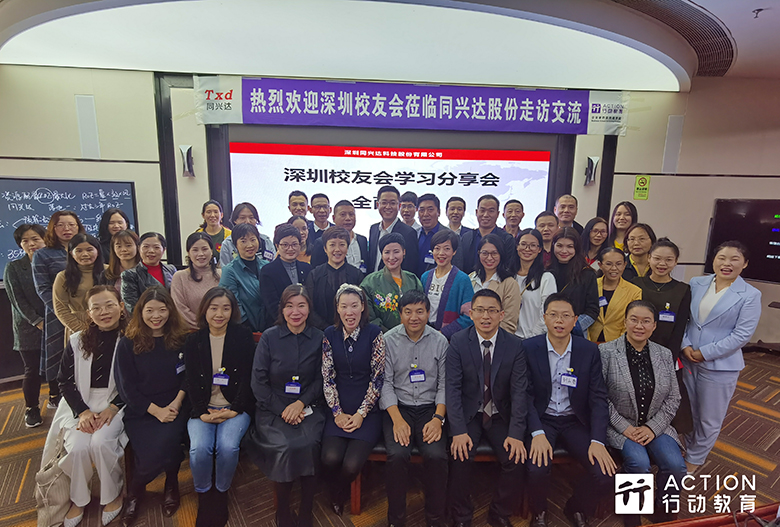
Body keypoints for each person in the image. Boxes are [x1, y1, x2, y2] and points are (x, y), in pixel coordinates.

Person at [524, 293, 615, 527]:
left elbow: (598, 398)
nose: (559, 321)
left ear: (575, 320)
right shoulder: (529, 348)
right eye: (553, 315)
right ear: (544, 317)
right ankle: (539, 511)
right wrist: (536, 432)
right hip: (543, 419)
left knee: (605, 474)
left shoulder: (588, 350)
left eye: (566, 316)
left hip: (575, 421)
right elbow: (524, 396)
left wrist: (598, 440)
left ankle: (577, 506)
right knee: (536, 469)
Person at [599, 300, 686, 527]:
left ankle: (662, 510)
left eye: (646, 321)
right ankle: (632, 514)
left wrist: (652, 428)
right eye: (634, 320)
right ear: (625, 321)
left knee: (676, 466)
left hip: (656, 425)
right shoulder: (606, 352)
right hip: (620, 425)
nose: (639, 326)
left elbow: (674, 397)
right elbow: (599, 398)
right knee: (639, 463)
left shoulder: (664, 354)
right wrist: (625, 428)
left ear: (654, 325)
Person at [446, 289, 528, 527]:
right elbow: (452, 389)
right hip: (469, 414)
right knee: (459, 456)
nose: (486, 316)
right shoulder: (458, 342)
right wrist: (458, 431)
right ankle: (461, 515)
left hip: (500, 413)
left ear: (501, 315)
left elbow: (519, 393)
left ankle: (499, 512)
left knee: (516, 458)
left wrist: (516, 434)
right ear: (471, 313)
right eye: (480, 310)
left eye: (492, 311)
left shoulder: (515, 345)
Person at [246, 285, 326, 527]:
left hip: (308, 405)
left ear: (309, 308)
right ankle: (282, 510)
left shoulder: (319, 337)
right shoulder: (269, 337)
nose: (295, 311)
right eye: (289, 306)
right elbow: (258, 382)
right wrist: (283, 409)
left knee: (310, 443)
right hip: (272, 407)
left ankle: (306, 509)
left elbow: (321, 379)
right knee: (285, 445)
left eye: (301, 305)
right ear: (282, 309)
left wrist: (300, 403)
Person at [49, 286, 127, 527]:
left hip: (118, 401)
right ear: (89, 313)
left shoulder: (131, 338)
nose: (104, 312)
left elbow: (138, 381)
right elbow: (64, 381)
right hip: (81, 402)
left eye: (110, 305)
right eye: (96, 308)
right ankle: (79, 499)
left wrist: (113, 407)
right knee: (77, 448)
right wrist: (82, 411)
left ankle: (112, 494)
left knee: (101, 442)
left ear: (121, 307)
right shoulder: (77, 340)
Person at [681, 241, 761, 474]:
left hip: (720, 365)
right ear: (714, 260)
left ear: (745, 264)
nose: (727, 263)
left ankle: (695, 458)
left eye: (734, 259)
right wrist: (685, 346)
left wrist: (705, 353)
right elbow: (684, 318)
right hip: (688, 358)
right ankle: (688, 447)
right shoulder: (697, 283)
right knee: (688, 410)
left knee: (709, 417)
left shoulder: (750, 295)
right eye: (722, 258)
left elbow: (741, 335)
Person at [115, 286, 189, 527]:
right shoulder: (128, 344)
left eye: (162, 310)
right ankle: (136, 491)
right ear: (140, 312)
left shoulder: (181, 339)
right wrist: (156, 411)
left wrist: (175, 404)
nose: (156, 316)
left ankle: (170, 483)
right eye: (149, 310)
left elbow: (188, 377)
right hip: (142, 409)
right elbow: (126, 389)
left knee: (170, 438)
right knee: (152, 452)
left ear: (170, 311)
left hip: (175, 404)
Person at [183, 287, 254, 527]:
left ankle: (221, 492)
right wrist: (202, 412)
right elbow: (191, 380)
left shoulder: (242, 336)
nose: (219, 314)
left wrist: (235, 409)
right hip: (202, 408)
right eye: (213, 308)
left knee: (227, 447)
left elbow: (247, 377)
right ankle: (204, 495)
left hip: (234, 407)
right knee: (199, 449)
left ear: (233, 311)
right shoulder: (193, 341)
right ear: (204, 310)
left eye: (226, 308)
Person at [381, 290, 449, 527]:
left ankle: (435, 519)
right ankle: (396, 520)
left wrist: (438, 418)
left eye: (420, 311)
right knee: (397, 455)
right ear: (400, 314)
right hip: (399, 408)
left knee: (437, 455)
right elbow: (385, 383)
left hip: (431, 409)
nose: (414, 317)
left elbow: (444, 384)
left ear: (428, 313)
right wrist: (398, 420)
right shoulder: (388, 340)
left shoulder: (440, 341)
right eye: (408, 312)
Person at [321, 284, 386, 516]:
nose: (350, 312)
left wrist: (360, 414)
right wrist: (337, 412)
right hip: (338, 407)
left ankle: (338, 491)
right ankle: (335, 489)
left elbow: (378, 379)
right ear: (337, 309)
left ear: (363, 307)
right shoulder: (329, 334)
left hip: (367, 410)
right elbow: (328, 377)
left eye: (354, 306)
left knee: (350, 465)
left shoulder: (375, 334)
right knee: (329, 458)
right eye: (344, 306)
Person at [632, 238, 692, 433]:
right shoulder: (635, 284)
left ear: (676, 262)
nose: (662, 264)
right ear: (649, 258)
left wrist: (669, 358)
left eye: (668, 260)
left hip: (666, 353)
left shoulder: (683, 290)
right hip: (635, 350)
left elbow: (680, 327)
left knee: (666, 400)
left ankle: (663, 436)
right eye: (657, 258)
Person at [33, 210, 86, 407]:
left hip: (90, 311)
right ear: (52, 229)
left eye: (71, 224)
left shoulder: (86, 248)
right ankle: (62, 396)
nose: (67, 229)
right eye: (61, 225)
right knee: (62, 356)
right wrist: (63, 310)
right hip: (58, 313)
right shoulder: (42, 254)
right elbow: (42, 288)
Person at [5, 224, 47, 427]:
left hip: (56, 323)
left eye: (36, 239)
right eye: (25, 241)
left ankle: (56, 397)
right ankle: (32, 408)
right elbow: (17, 300)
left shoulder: (52, 262)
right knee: (32, 370)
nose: (31, 244)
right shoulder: (14, 268)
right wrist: (37, 321)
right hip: (29, 327)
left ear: (45, 240)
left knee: (58, 366)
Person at [361, 233, 424, 332]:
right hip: (383, 337)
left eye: (396, 252)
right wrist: (389, 335)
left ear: (404, 252)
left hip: (413, 335)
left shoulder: (413, 280)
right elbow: (369, 317)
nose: (391, 257)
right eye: (387, 252)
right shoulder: (370, 282)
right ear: (382, 255)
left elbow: (422, 309)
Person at [304, 226, 363, 330]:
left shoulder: (356, 274)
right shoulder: (314, 275)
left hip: (351, 329)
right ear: (325, 248)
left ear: (347, 248)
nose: (337, 249)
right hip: (320, 331)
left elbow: (362, 305)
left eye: (342, 244)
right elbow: (309, 307)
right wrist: (327, 330)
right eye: (332, 245)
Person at [53, 233, 106, 344]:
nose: (85, 254)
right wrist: (83, 330)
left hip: (107, 323)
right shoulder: (63, 277)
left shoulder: (109, 271)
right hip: (77, 328)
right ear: (71, 253)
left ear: (98, 251)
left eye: (89, 250)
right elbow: (61, 309)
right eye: (79, 251)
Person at [420, 229, 473, 339]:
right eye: (437, 248)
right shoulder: (425, 277)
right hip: (424, 335)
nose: (441, 253)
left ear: (454, 251)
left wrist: (443, 332)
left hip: (451, 338)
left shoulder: (462, 280)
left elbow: (469, 315)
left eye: (447, 249)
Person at [548, 228, 599, 337]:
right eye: (559, 246)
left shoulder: (587, 274)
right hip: (546, 331)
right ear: (553, 246)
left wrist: (571, 325)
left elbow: (593, 310)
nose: (564, 251)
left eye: (570, 246)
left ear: (577, 248)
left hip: (575, 333)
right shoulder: (546, 272)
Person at [260, 224, 312, 329]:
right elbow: (271, 304)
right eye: (285, 245)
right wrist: (290, 324)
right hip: (278, 326)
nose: (290, 249)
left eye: (294, 244)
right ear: (277, 246)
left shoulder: (307, 268)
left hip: (304, 325)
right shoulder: (267, 271)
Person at [219, 223, 268, 333]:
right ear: (235, 244)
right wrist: (246, 327)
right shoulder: (230, 270)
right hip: (244, 328)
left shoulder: (266, 266)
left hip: (268, 325)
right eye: (243, 241)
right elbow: (232, 302)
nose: (249, 245)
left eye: (253, 240)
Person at [469, 234, 521, 334]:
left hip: (496, 339)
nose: (489, 258)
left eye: (494, 253)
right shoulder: (471, 278)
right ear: (478, 253)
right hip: (469, 337)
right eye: (485, 253)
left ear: (501, 255)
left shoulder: (509, 284)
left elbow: (509, 323)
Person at [588, 248, 642, 343]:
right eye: (609, 264)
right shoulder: (590, 285)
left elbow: (632, 321)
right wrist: (587, 341)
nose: (614, 268)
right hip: (590, 341)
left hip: (617, 342)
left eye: (618, 264)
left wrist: (619, 344)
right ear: (600, 265)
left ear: (624, 265)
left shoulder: (634, 291)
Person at [171, 232, 221, 330]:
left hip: (220, 330)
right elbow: (180, 309)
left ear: (211, 251)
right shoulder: (179, 277)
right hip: (190, 332)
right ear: (188, 253)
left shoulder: (222, 274)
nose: (201, 254)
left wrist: (216, 325)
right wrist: (205, 326)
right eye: (195, 250)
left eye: (205, 249)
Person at [513, 229, 557, 340]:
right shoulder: (509, 276)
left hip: (535, 339)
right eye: (523, 244)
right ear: (517, 246)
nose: (527, 249)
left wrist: (532, 338)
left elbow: (549, 312)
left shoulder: (546, 278)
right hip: (509, 338)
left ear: (539, 249)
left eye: (533, 245)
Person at [121, 232, 176, 314]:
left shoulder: (171, 269)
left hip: (172, 316)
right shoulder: (130, 275)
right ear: (139, 248)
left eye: (156, 247)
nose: (151, 251)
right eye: (146, 247)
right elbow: (131, 306)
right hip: (146, 318)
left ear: (164, 250)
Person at [368, 185, 419, 274]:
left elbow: (410, 268)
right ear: (377, 205)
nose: (388, 207)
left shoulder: (409, 233)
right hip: (373, 281)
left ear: (399, 206)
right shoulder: (374, 229)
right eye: (384, 202)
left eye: (392, 203)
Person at [460, 195, 515, 275]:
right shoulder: (466, 237)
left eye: (491, 211)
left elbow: (508, 267)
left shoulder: (507, 239)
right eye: (482, 210)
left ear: (497, 214)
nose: (486, 215)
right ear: (476, 212)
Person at [310, 200, 369, 273]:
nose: (348, 218)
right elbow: (316, 271)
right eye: (343, 215)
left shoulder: (362, 240)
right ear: (334, 218)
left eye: (351, 214)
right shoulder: (322, 242)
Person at [416, 193, 449, 276]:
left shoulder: (450, 236)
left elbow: (456, 267)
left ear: (438, 212)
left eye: (430, 210)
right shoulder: (413, 234)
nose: (425, 214)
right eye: (422, 210)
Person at [104, 230, 141, 294]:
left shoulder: (146, 271)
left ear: (138, 247)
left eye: (128, 245)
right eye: (119, 246)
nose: (123, 250)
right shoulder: (107, 274)